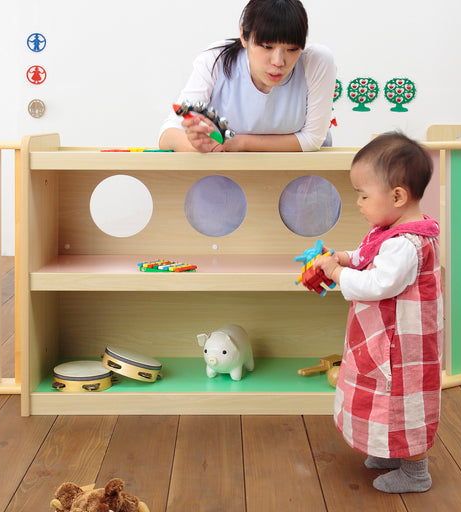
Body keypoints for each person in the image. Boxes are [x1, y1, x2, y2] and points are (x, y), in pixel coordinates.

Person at [306, 132, 443, 493]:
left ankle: (415, 471)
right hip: (385, 339)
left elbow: (377, 283)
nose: (358, 203)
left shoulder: (406, 244)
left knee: (402, 403)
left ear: (397, 196)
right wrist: (344, 257)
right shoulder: (390, 233)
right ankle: (390, 451)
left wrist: (337, 273)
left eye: (364, 195)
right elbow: (369, 256)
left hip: (400, 349)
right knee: (381, 398)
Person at [158, 0, 336, 153]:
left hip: (300, 175)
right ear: (243, 36)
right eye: (267, 47)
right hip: (229, 174)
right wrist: (199, 146)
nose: (278, 62)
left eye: (292, 49)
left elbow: (312, 139)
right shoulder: (216, 59)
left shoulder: (316, 61)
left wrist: (240, 143)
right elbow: (168, 134)